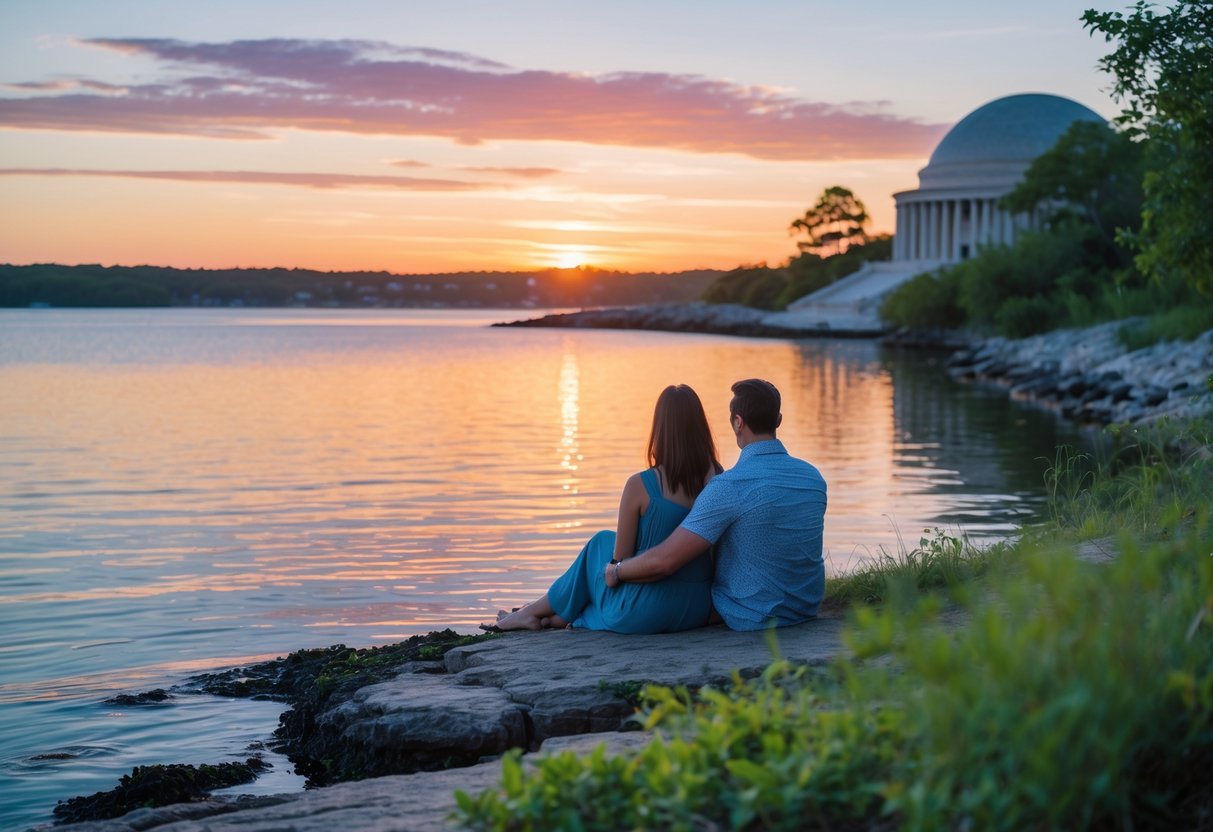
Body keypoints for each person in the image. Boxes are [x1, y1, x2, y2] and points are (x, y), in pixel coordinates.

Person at [491, 384, 722, 633]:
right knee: (602, 551)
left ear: (660, 429)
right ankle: (548, 617)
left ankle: (531, 612)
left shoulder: (639, 485)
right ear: (700, 428)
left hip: (646, 611)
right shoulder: (719, 479)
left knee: (599, 545)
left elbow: (618, 564)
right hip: (696, 607)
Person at [604, 378, 826, 631]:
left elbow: (665, 561)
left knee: (602, 547)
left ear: (738, 422)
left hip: (754, 615)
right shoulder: (812, 477)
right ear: (778, 420)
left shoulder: (729, 486)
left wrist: (616, 570)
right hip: (806, 608)